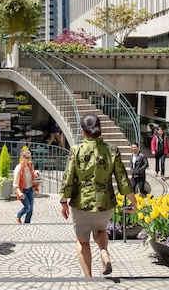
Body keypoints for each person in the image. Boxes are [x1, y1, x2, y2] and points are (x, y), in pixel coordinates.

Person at [60, 113, 137, 277]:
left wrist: (63, 202)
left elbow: (68, 178)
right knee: (101, 231)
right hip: (105, 203)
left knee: (82, 240)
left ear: (83, 132)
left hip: (82, 204)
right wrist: (133, 202)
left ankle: (88, 277)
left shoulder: (76, 150)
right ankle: (103, 252)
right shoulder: (112, 150)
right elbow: (122, 178)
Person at [13, 149, 40, 224]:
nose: (28, 159)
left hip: (30, 189)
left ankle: (27, 223)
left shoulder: (30, 165)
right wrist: (19, 192)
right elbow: (15, 183)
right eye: (27, 157)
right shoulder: (18, 168)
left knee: (31, 209)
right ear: (22, 157)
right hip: (23, 190)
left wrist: (36, 177)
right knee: (27, 207)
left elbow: (33, 175)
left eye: (29, 157)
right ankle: (18, 215)